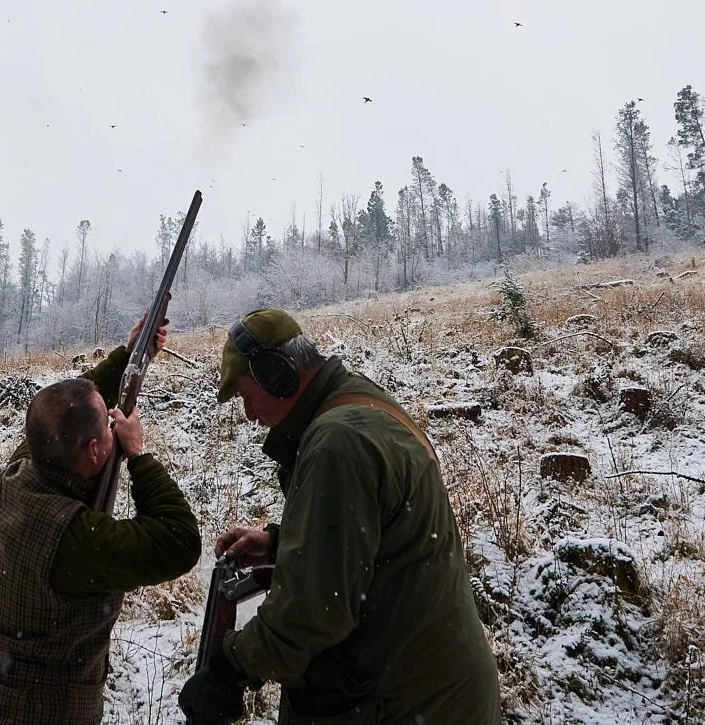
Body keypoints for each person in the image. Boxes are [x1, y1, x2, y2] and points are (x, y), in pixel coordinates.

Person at [178, 308, 501, 725]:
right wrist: (282, 542)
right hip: (431, 688)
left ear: (277, 374)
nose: (249, 415)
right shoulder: (358, 403)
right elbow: (372, 531)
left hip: (403, 703)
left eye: (245, 395)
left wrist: (230, 666)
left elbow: (313, 612)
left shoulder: (337, 443)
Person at [0, 313, 202, 725]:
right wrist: (138, 455)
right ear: (96, 452)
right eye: (108, 428)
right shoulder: (75, 541)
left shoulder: (21, 471)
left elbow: (71, 407)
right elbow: (180, 541)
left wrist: (131, 354)